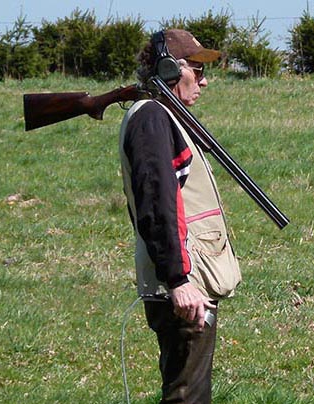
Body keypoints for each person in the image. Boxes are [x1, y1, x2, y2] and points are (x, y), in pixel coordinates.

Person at [118, 29, 239, 404]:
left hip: (191, 276)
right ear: (171, 68)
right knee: (186, 395)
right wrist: (178, 279)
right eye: (197, 69)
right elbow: (157, 205)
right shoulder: (153, 118)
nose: (204, 80)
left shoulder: (163, 116)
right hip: (186, 283)